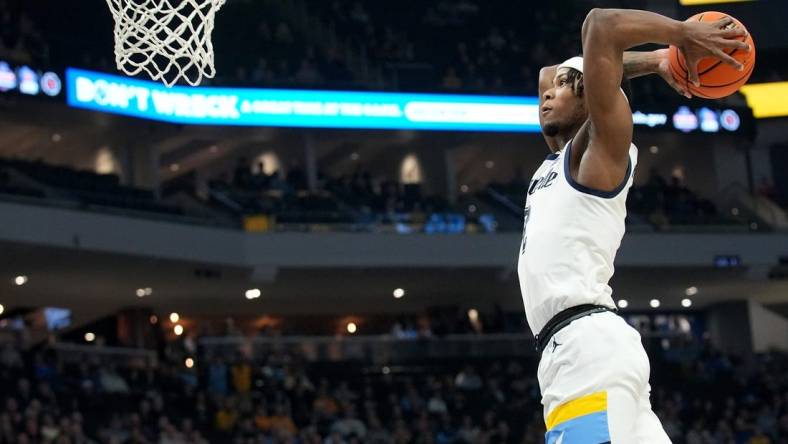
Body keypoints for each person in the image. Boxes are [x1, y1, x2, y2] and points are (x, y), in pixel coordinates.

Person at [517, 8, 749, 443]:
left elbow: (600, 25)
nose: (548, 93)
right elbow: (552, 71)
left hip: (583, 350)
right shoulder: (557, 159)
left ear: (594, 97)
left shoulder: (599, 151)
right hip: (586, 349)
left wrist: (681, 35)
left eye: (567, 88)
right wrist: (660, 59)